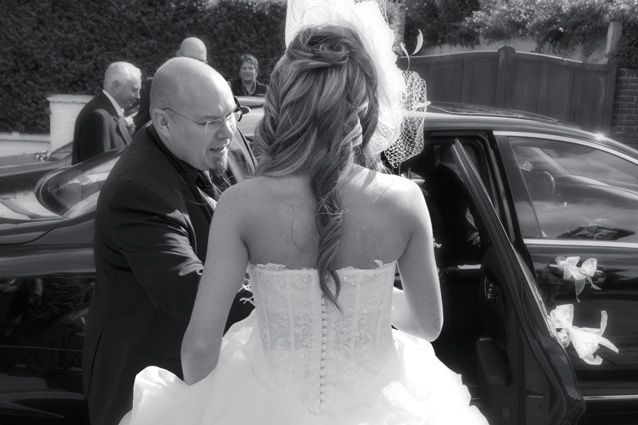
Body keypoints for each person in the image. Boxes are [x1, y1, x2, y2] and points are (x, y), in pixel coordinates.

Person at [120, 18, 487, 425]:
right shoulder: (404, 200)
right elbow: (428, 325)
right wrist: (365, 299)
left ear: (282, 102)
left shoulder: (240, 204)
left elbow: (199, 348)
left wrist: (206, 404)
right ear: (364, 106)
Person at [82, 57, 255, 425]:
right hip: (148, 383)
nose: (227, 133)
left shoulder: (214, 141)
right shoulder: (138, 190)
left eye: (232, 115)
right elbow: (187, 287)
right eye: (211, 122)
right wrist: (288, 306)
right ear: (163, 122)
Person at [71, 61, 141, 164]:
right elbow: (97, 169)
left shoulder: (109, 113)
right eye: (134, 90)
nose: (138, 96)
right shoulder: (98, 117)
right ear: (116, 86)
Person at [134, 37, 208, 131]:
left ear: (206, 63)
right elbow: (140, 127)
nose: (194, 65)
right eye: (189, 59)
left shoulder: (211, 93)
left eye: (200, 61)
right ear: (178, 56)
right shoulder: (154, 86)